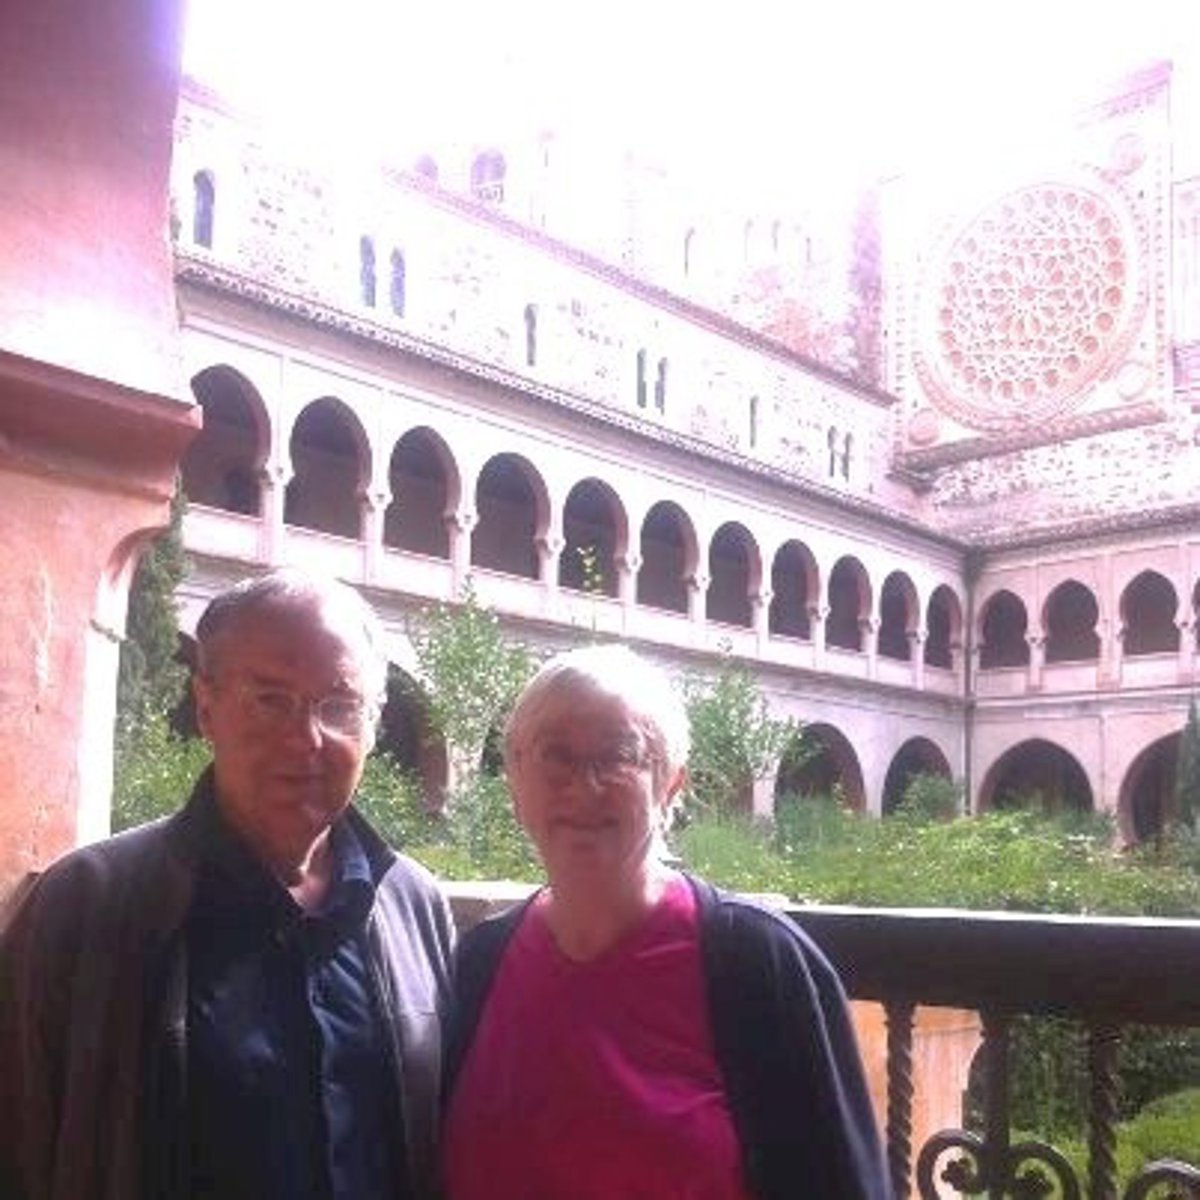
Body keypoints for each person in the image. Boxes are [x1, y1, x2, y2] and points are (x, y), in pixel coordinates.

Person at [0, 568, 454, 1200]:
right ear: (207, 707)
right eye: (270, 699)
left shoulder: (413, 907)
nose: (306, 738)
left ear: (373, 726)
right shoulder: (86, 905)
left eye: (339, 705)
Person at [442, 644, 889, 1200]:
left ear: (670, 784)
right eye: (556, 754)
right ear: (515, 781)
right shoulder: (478, 966)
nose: (584, 785)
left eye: (619, 755)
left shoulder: (759, 967)